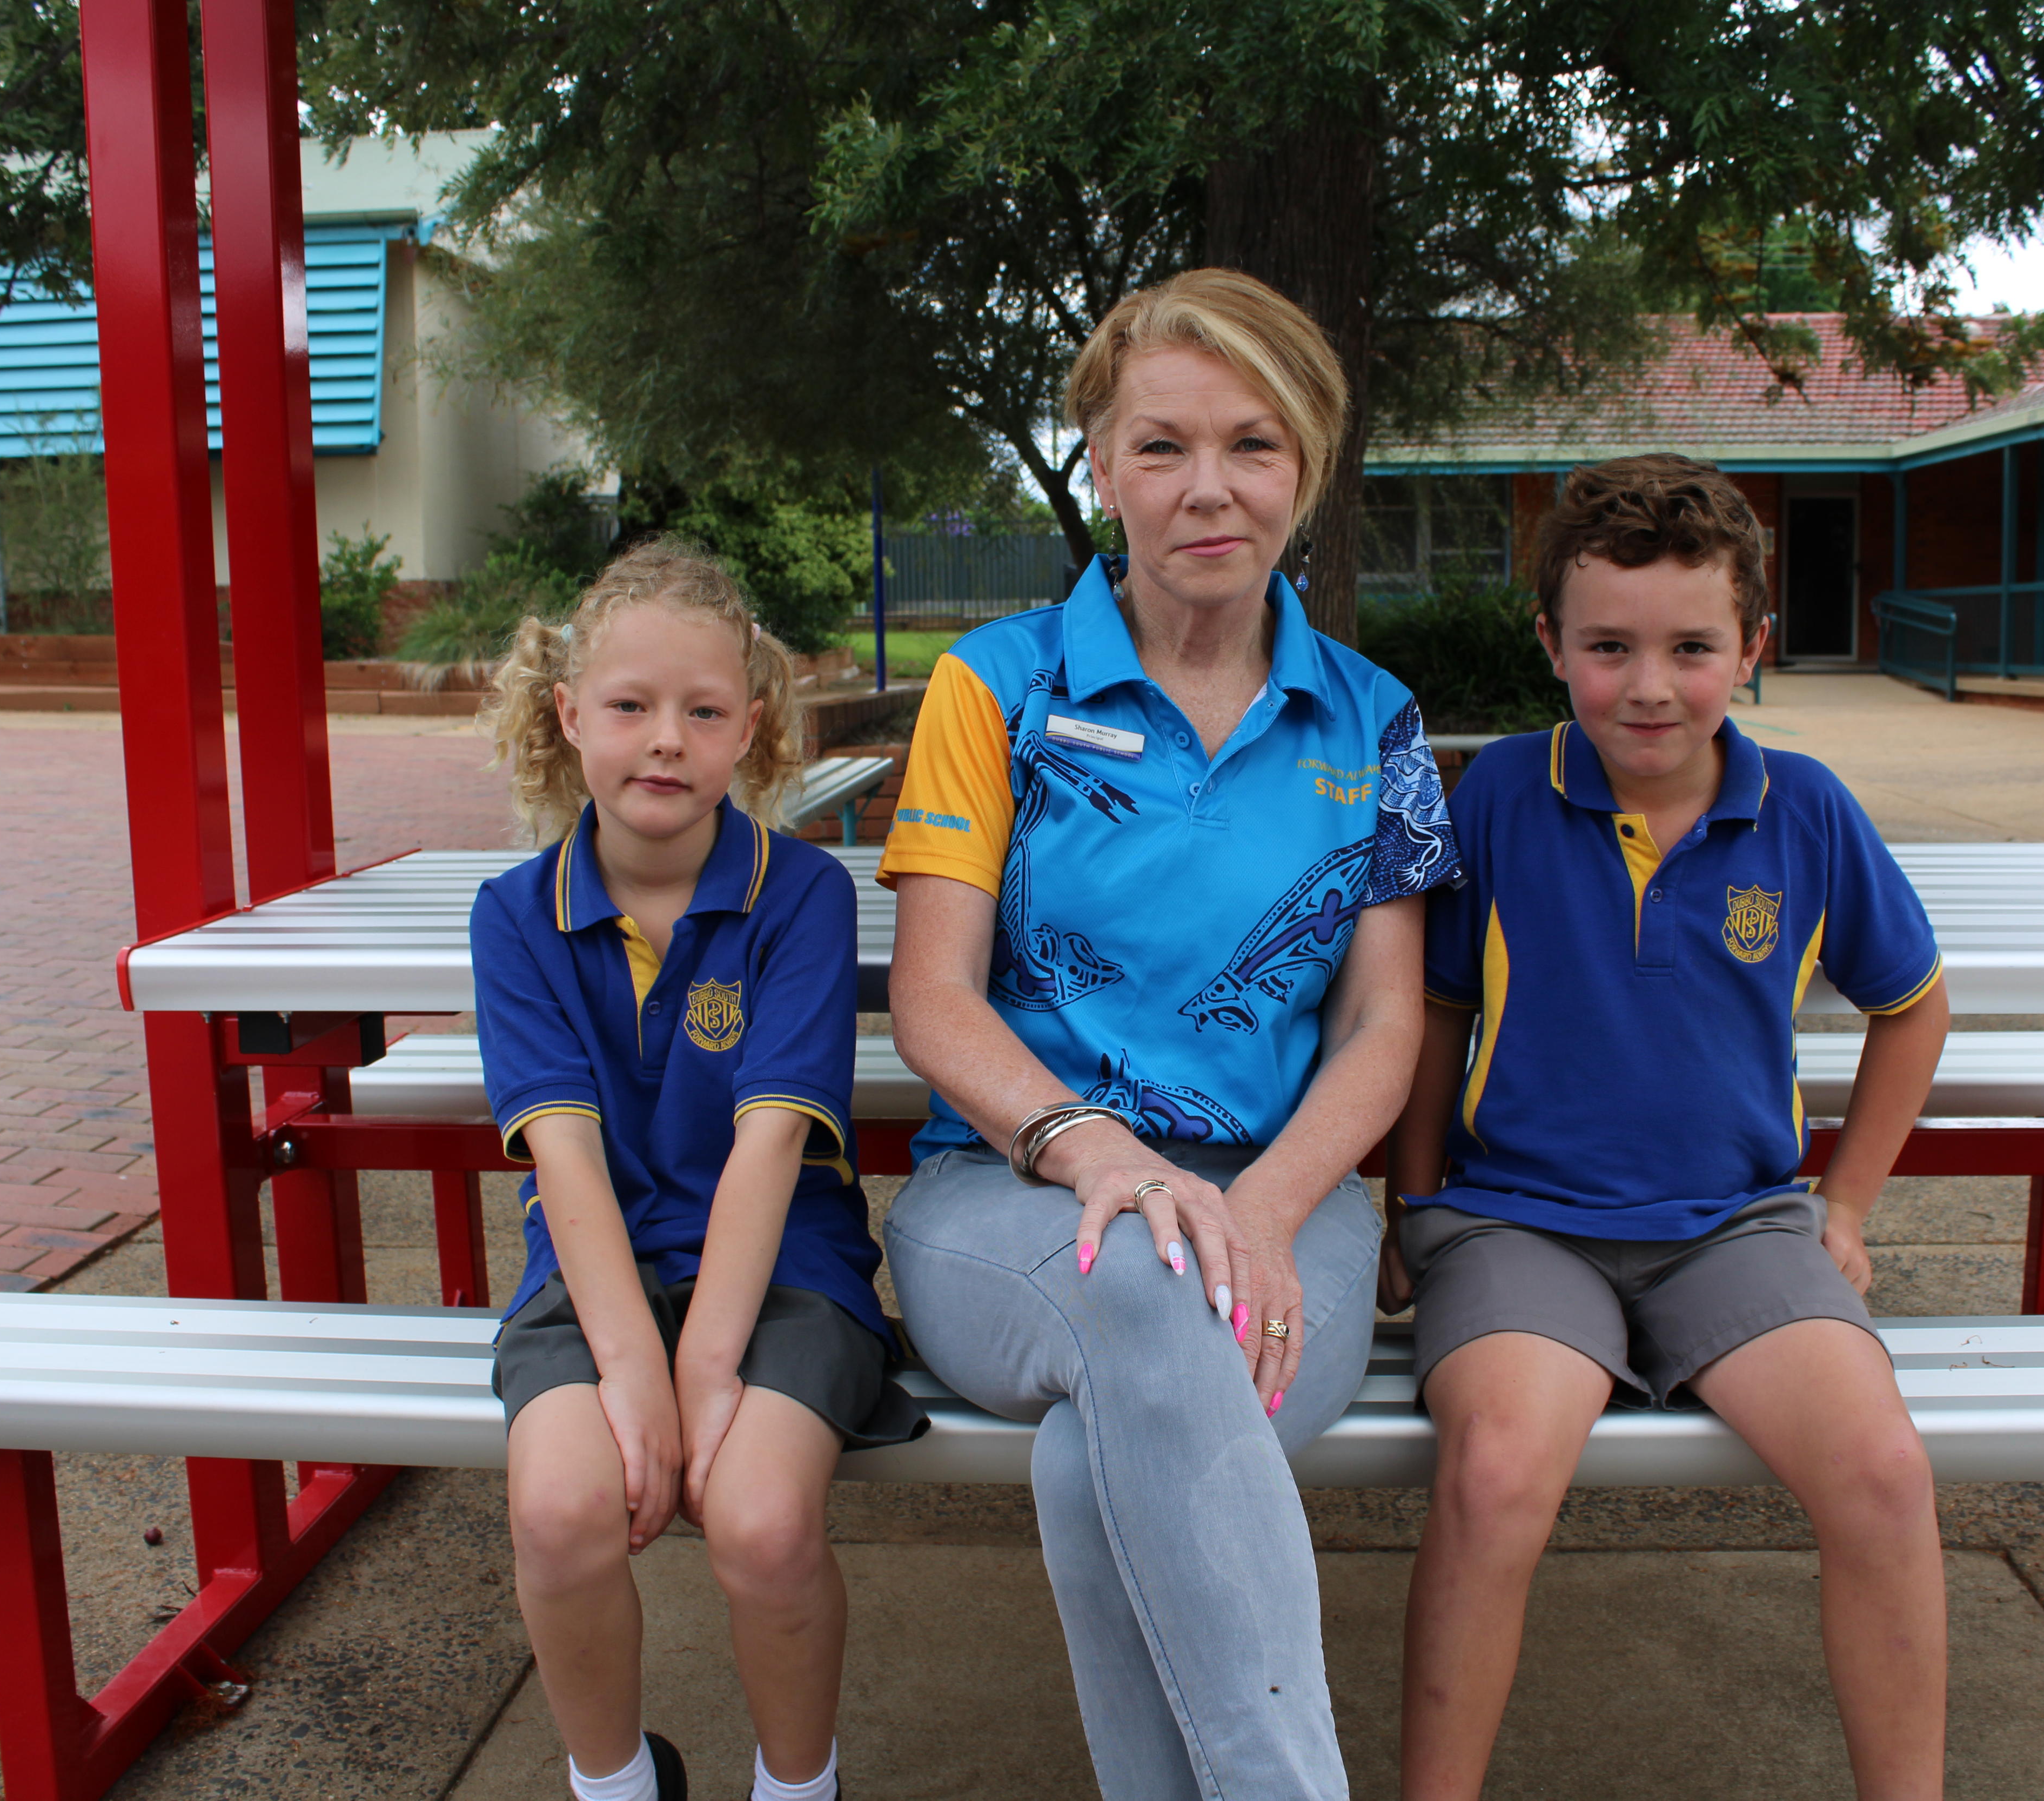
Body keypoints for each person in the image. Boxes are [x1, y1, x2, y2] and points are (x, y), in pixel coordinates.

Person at [879, 267, 1458, 1799]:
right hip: (1009, 1195)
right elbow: (933, 995)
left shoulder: (1376, 719)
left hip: (1288, 1204)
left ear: (1306, 466)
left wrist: (1259, 1208)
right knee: (1139, 1278)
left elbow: (1385, 1018)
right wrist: (1100, 1156)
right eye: (1162, 445)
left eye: (1253, 443)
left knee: (1103, 1448)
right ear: (1102, 466)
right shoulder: (995, 684)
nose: (1210, 487)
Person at [1385, 454, 1952, 1801]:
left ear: (1751, 646)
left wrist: (1846, 1204)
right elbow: (1436, 1015)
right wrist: (1407, 1206)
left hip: (1734, 1226)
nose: (1649, 685)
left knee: (1882, 1468)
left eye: (1692, 647)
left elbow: (1913, 1006)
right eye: (1609, 647)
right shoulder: (1498, 793)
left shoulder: (1806, 808)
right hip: (1518, 1224)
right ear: (1551, 644)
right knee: (1496, 1471)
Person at [471, 539, 922, 1801]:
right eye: (629, 705)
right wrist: (633, 1372)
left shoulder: (803, 895)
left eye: (704, 711)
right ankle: (616, 1784)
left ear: (752, 730)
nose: (666, 739)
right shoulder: (514, 914)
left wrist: (705, 1370)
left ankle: (799, 1785)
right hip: (595, 1276)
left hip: (784, 1275)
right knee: (560, 1510)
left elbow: (772, 1142)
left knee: (760, 1518)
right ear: (569, 715)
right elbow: (562, 1154)